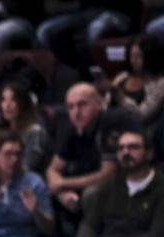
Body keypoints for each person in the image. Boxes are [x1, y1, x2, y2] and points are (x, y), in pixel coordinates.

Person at [48, 129, 164, 237]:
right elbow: (90, 224)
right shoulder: (109, 185)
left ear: (149, 153)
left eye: (133, 147)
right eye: (121, 148)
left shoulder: (160, 187)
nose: (125, 152)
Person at [46, 82, 131, 221]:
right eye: (71, 107)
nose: (76, 112)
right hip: (84, 182)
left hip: (121, 184)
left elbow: (108, 174)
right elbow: (52, 168)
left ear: (99, 104)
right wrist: (63, 192)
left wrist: (63, 184)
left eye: (82, 104)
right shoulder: (75, 127)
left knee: (91, 194)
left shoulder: (110, 122)